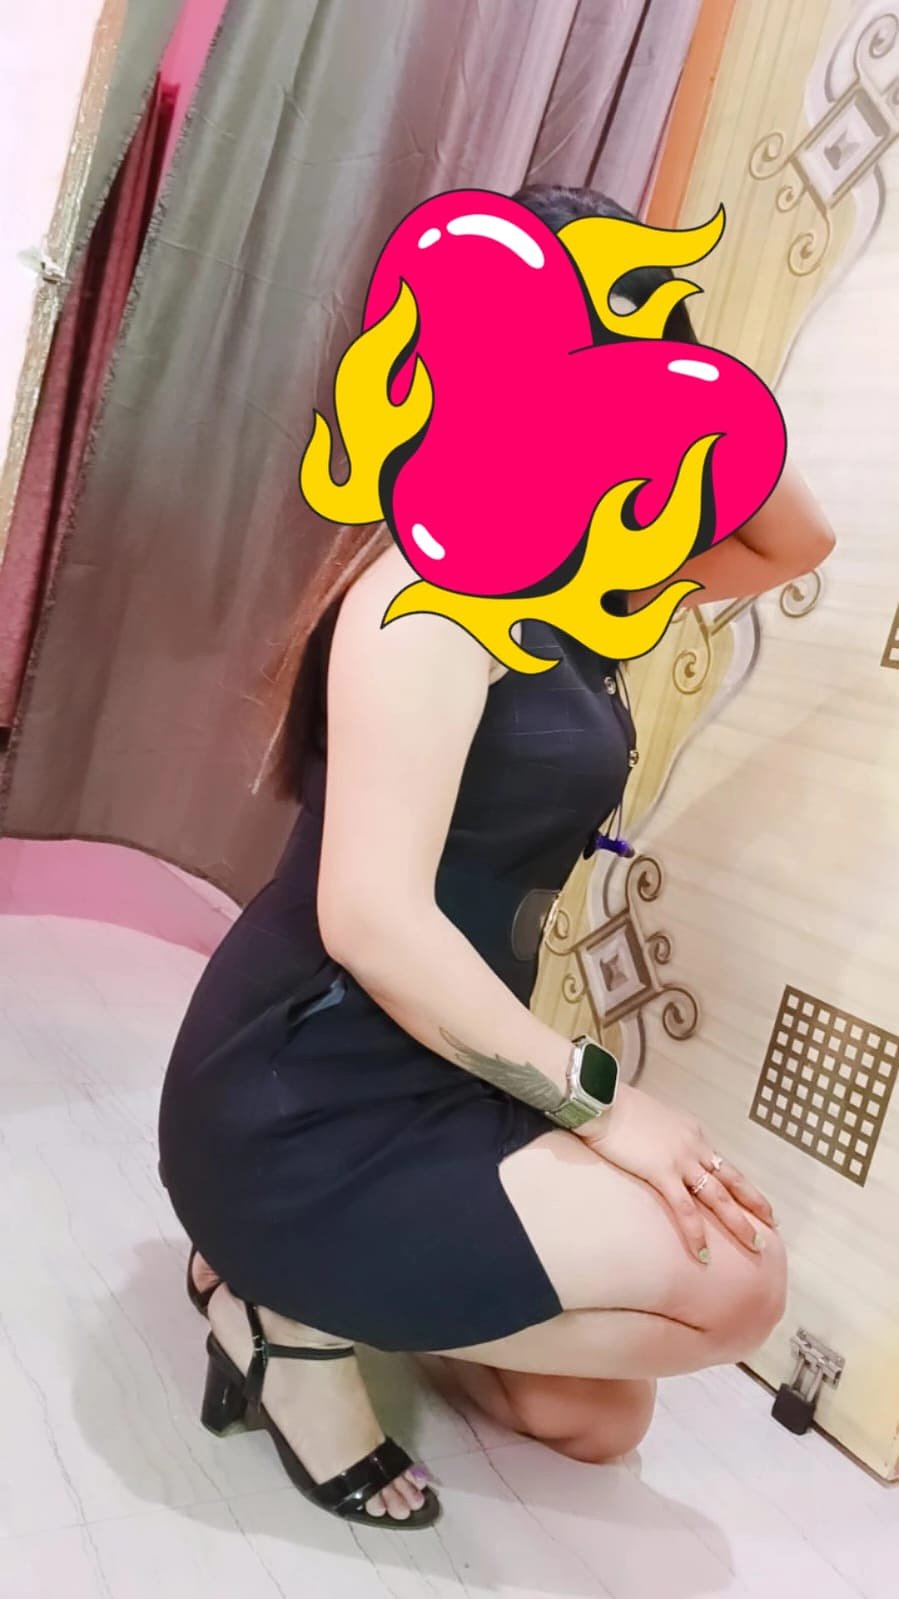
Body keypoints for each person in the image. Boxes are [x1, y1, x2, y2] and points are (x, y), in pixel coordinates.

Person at [158, 184, 834, 1529]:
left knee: (591, 1416)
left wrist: (677, 373)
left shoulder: (596, 579)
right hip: (308, 1094)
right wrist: (606, 1110)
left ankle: (305, 1283)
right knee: (736, 1288)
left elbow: (793, 540)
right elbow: (373, 921)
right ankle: (284, 1309)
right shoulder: (421, 601)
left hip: (445, 1067)